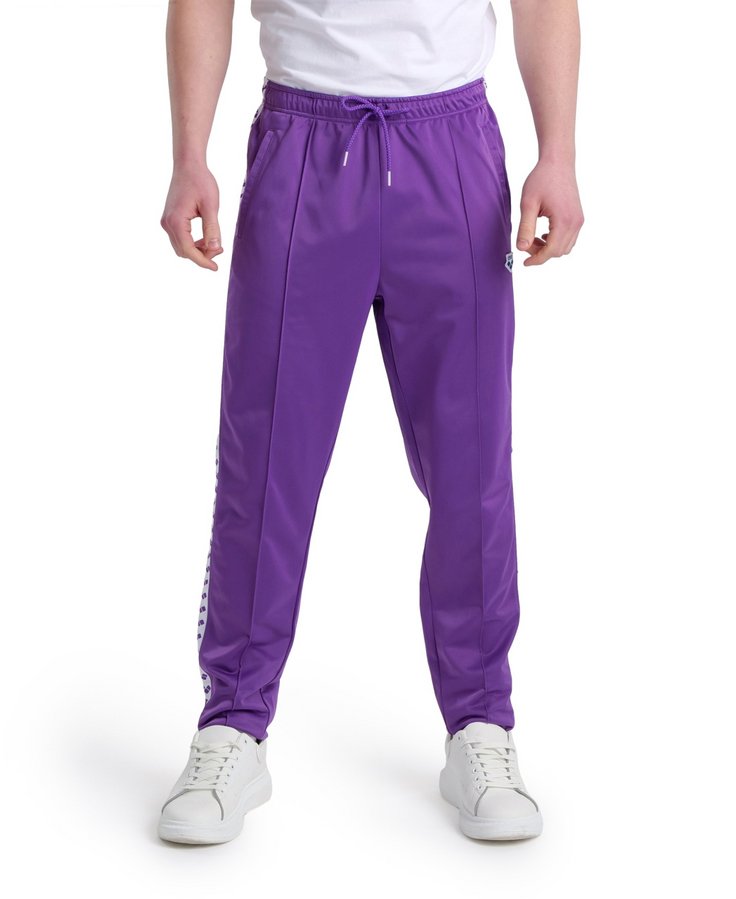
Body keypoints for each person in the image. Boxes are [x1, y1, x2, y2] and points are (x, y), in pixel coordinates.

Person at [157, 0, 583, 845]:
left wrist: (559, 152)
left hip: (450, 144)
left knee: (470, 465)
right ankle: (232, 724)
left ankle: (480, 722)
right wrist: (188, 155)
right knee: (265, 462)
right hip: (303, 144)